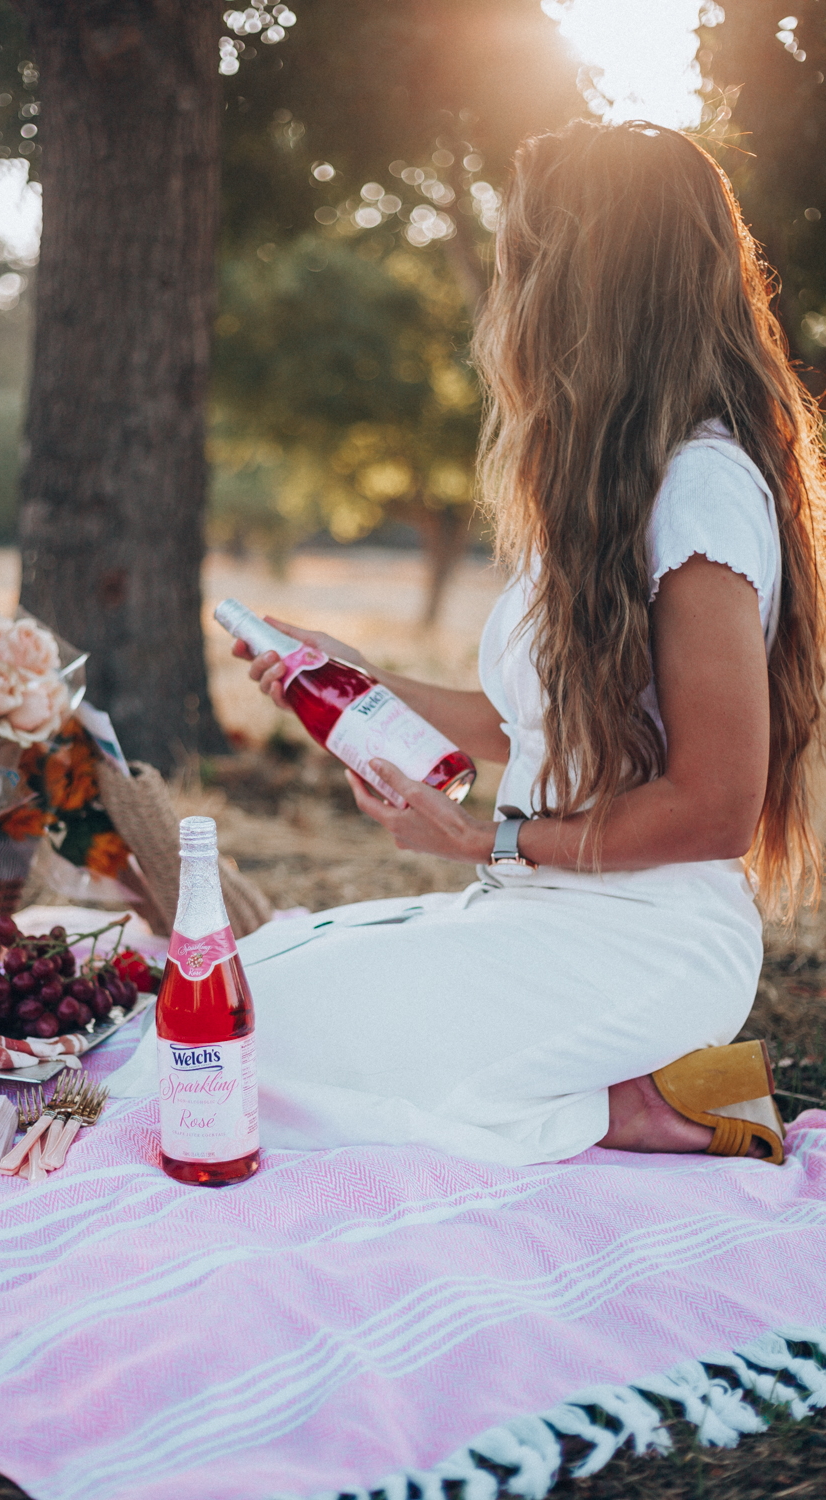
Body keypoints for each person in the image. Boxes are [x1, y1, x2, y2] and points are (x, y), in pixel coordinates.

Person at [231, 120, 826, 1169]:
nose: (510, 298)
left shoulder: (699, 497)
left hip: (646, 942)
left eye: (527, 261)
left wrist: (489, 843)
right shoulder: (607, 491)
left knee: (251, 1046)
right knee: (254, 981)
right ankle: (611, 1096)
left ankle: (614, 1107)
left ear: (595, 283)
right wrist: (345, 681)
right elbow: (524, 723)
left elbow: (716, 804)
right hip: (544, 912)